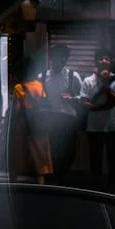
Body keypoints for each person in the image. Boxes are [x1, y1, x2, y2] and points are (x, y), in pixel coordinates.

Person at [79, 52, 115, 193]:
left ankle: (113, 190)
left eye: (107, 58)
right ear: (95, 61)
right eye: (100, 58)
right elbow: (83, 102)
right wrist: (99, 107)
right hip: (94, 127)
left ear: (111, 61)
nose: (103, 60)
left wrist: (106, 85)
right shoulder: (88, 80)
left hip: (113, 126)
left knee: (114, 160)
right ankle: (96, 190)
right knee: (96, 159)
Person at [36, 44, 83, 184]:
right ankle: (51, 180)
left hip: (67, 118)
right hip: (49, 118)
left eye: (63, 58)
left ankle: (63, 179)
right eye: (58, 57)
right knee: (50, 151)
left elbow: (82, 98)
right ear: (52, 58)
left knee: (67, 151)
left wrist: (72, 98)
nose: (60, 60)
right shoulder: (42, 76)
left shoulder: (73, 76)